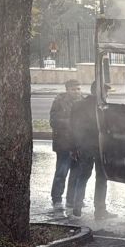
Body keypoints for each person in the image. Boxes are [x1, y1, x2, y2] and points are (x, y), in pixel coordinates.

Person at [67, 81, 111, 219]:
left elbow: (72, 128)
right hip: (99, 147)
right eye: (106, 92)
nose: (107, 95)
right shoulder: (103, 107)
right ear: (100, 92)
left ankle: (77, 207)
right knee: (101, 178)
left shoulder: (78, 105)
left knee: (83, 176)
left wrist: (74, 147)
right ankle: (100, 210)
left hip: (83, 146)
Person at [49, 79, 81, 213]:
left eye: (78, 89)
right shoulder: (59, 102)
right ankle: (56, 199)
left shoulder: (82, 101)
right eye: (74, 89)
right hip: (64, 144)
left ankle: (71, 200)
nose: (77, 91)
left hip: (78, 144)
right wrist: (72, 123)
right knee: (61, 172)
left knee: (76, 173)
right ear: (67, 90)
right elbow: (54, 121)